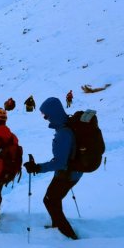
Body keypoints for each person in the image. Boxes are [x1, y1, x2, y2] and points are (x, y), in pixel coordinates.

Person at [24, 97, 80, 240]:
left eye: (46, 115)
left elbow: (59, 162)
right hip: (71, 171)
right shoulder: (66, 125)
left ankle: (68, 234)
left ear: (53, 113)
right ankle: (57, 225)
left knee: (50, 201)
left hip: (67, 173)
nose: (45, 118)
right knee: (54, 198)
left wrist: (37, 168)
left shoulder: (63, 133)